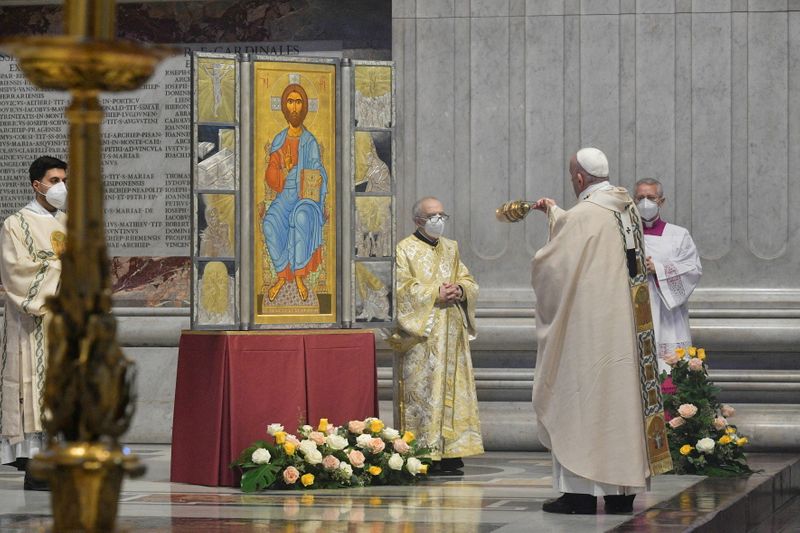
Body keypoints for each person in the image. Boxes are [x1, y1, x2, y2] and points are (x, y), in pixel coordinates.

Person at [530, 148, 672, 514]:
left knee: (584, 401)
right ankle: (620, 492)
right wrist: (558, 216)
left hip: (588, 330)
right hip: (625, 328)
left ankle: (578, 493)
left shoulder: (583, 217)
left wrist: (557, 226)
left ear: (579, 178)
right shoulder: (625, 209)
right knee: (619, 405)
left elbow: (552, 268)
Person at [390, 197, 483, 473]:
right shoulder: (403, 250)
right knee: (425, 390)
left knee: (452, 390)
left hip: (451, 332)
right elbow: (399, 290)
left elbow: (468, 279)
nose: (439, 221)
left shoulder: (451, 248)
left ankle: (451, 450)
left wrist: (461, 290)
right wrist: (434, 293)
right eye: (433, 216)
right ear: (418, 220)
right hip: (423, 336)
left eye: (443, 215)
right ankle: (424, 451)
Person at [0, 156, 68, 490]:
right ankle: (37, 464)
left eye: (63, 180)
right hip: (33, 321)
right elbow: (16, 272)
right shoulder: (17, 223)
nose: (61, 187)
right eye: (54, 181)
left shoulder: (69, 222)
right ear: (36, 185)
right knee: (33, 385)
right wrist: (59, 269)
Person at [262, 83, 328, 302]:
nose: (294, 107)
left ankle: (299, 276)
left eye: (298, 102)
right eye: (290, 101)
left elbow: (318, 172)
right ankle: (282, 275)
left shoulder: (309, 142)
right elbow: (270, 175)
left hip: (306, 199)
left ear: (305, 107)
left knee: (300, 217)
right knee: (270, 222)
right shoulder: (280, 140)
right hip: (285, 195)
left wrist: (317, 179)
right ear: (284, 106)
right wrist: (284, 169)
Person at [634, 178, 702, 373]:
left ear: (661, 201)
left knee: (669, 367)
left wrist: (659, 269)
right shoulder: (626, 235)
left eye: (650, 197)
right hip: (636, 309)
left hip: (668, 314)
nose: (645, 202)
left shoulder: (678, 235)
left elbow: (692, 268)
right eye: (640, 198)